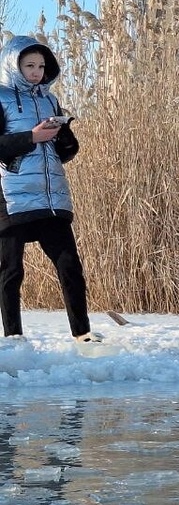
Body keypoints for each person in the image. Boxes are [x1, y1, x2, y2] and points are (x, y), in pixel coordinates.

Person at [0, 37, 97, 342]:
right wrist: (32, 136)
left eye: (41, 66)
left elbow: (62, 154)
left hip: (51, 198)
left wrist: (65, 138)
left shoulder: (49, 100)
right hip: (11, 197)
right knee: (11, 272)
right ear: (12, 65)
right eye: (29, 65)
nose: (36, 72)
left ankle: (83, 336)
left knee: (70, 266)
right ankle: (14, 340)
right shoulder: (0, 97)